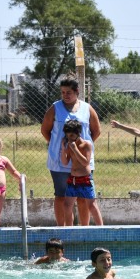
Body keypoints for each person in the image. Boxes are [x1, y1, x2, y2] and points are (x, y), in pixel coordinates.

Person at [41, 78, 101, 226]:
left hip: (82, 162)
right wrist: (58, 146)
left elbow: (96, 131)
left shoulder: (87, 108)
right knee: (61, 196)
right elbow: (45, 130)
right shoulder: (55, 108)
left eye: (69, 92)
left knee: (82, 198)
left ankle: (84, 229)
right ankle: (62, 229)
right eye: (63, 92)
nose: (65, 95)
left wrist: (83, 148)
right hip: (60, 162)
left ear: (77, 92)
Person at [60, 120, 103, 226]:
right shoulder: (70, 145)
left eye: (71, 135)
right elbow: (65, 163)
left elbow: (85, 162)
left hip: (85, 180)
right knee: (66, 205)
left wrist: (75, 149)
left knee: (92, 205)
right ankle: (69, 230)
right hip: (73, 180)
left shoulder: (86, 145)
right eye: (67, 136)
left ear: (78, 133)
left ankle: (102, 229)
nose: (69, 138)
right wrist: (63, 150)